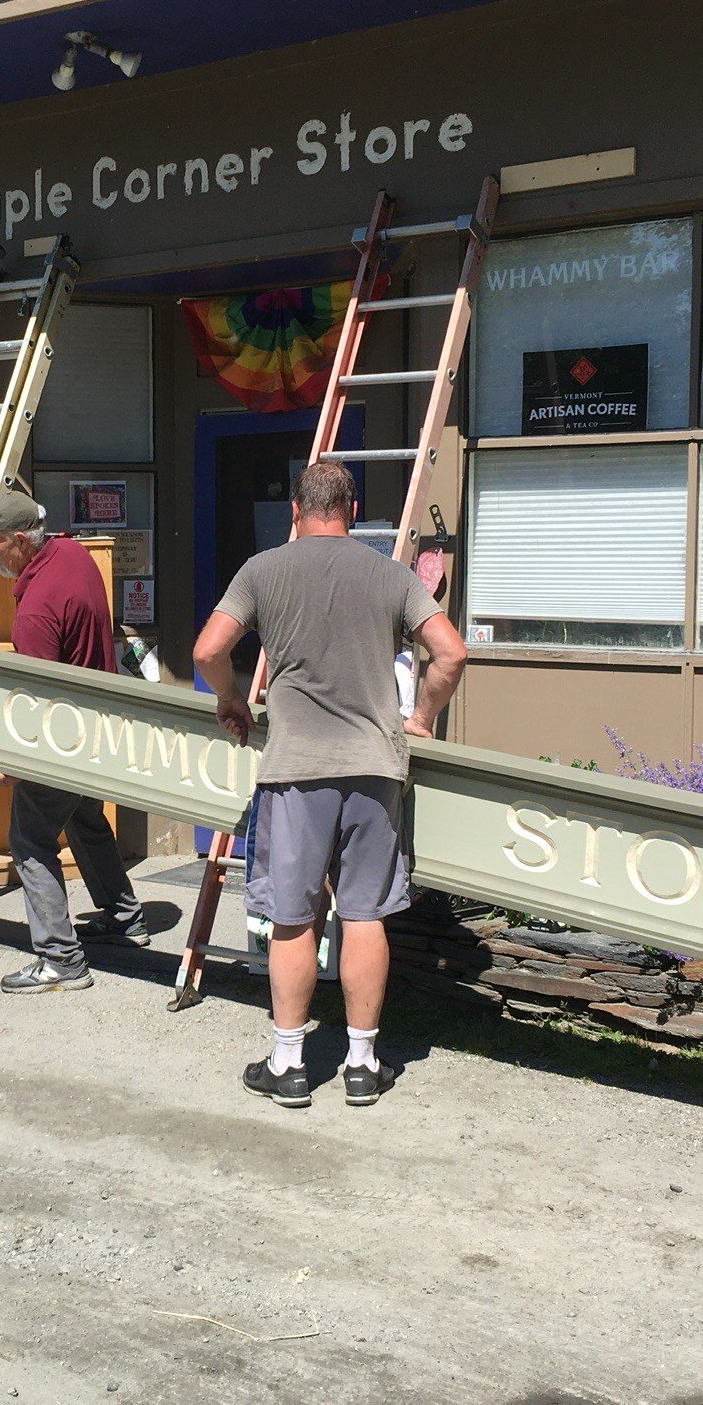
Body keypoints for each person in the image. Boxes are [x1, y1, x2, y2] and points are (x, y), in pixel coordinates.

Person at [192, 460, 468, 1108]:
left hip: (296, 771)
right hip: (375, 769)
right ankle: (363, 1065)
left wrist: (232, 699)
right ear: (352, 507)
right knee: (365, 913)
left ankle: (289, 1066)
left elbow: (207, 650)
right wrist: (420, 718)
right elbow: (451, 653)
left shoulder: (262, 571)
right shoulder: (391, 576)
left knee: (292, 919)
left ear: (296, 508)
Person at [0, 491, 149, 994]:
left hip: (62, 737)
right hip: (97, 723)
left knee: (30, 840)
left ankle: (60, 959)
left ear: (20, 541)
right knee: (87, 821)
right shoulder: (74, 553)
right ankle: (125, 917)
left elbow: (35, 701)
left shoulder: (36, 611)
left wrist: (13, 762)